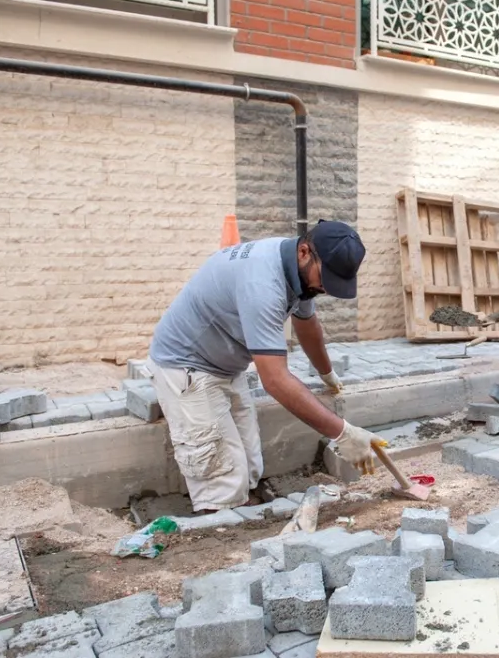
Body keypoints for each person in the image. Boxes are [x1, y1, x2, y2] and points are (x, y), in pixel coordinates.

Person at [145, 220, 386, 513]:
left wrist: (326, 373)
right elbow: (275, 380)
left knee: (249, 464)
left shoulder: (299, 273)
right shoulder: (263, 283)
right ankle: (223, 531)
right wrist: (343, 434)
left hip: (225, 365)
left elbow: (306, 323)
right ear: (305, 252)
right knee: (221, 476)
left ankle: (244, 507)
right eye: (326, 279)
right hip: (186, 368)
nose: (325, 288)